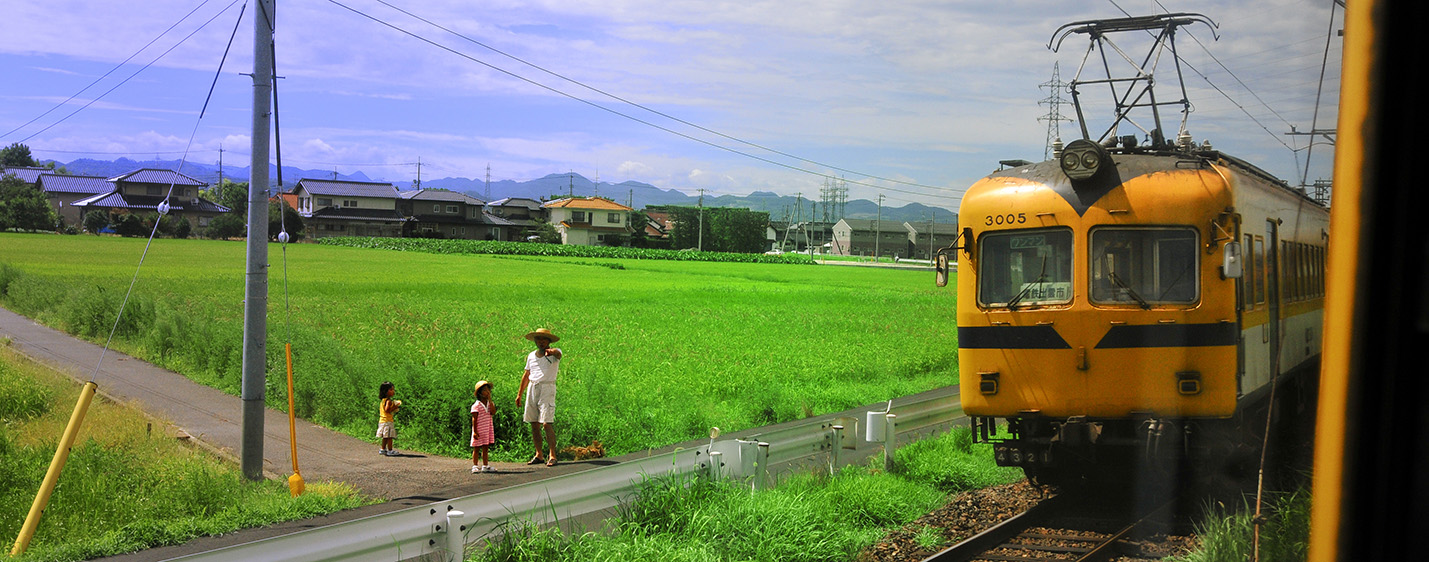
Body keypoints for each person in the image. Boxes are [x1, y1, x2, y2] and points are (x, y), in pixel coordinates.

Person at [515, 328, 561, 467]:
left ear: (548, 341)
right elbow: (526, 374)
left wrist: (551, 351)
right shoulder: (531, 356)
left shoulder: (554, 353)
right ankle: (539, 454)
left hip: (547, 387)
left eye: (544, 339)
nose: (541, 342)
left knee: (546, 423)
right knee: (533, 422)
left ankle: (552, 454)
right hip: (533, 388)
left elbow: (558, 354)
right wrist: (519, 394)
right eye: (539, 339)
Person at [470, 380, 497, 473]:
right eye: (485, 390)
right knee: (476, 448)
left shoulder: (489, 404)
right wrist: (475, 431)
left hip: (487, 429)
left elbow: (493, 412)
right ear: (480, 393)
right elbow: (474, 419)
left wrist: (490, 400)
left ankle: (485, 465)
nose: (487, 392)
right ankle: (475, 465)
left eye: (488, 390)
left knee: (486, 447)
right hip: (479, 429)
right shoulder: (476, 405)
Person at [376, 381, 401, 456]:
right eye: (391, 390)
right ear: (385, 391)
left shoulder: (383, 400)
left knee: (385, 436)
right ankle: (390, 450)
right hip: (387, 421)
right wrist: (395, 407)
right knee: (390, 436)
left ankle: (383, 449)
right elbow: (387, 410)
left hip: (382, 421)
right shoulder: (388, 401)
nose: (393, 391)